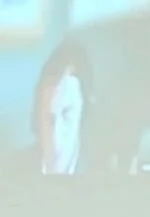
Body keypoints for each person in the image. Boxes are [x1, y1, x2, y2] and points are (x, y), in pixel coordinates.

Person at [10, 39, 94, 176]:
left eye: (67, 115)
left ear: (83, 115)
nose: (56, 135)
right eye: (49, 120)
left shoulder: (100, 183)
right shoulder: (10, 174)